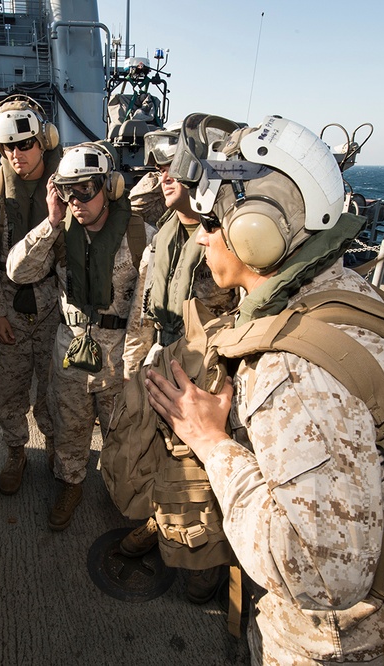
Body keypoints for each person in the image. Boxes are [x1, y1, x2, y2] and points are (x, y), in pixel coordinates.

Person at [144, 115, 384, 665]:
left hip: (323, 640)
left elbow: (323, 575)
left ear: (257, 227)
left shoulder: (296, 371)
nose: (201, 235)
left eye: (211, 218)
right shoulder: (342, 291)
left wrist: (210, 442)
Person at [7, 141, 153, 531]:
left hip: (120, 359)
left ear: (111, 187)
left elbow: (148, 308)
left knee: (122, 438)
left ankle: (124, 493)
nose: (76, 200)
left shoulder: (139, 235)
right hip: (70, 355)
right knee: (70, 433)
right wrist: (51, 221)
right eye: (67, 190)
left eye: (86, 189)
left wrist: (135, 367)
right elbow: (17, 272)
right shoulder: (59, 232)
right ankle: (71, 484)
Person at [120, 127, 239, 604]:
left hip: (206, 369)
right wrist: (134, 364)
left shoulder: (227, 239)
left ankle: (204, 556)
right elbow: (145, 307)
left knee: (199, 468)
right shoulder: (164, 232)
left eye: (176, 168)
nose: (162, 177)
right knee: (154, 456)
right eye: (157, 169)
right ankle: (161, 520)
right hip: (163, 357)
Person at [0, 94, 63, 497]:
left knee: (54, 391)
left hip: (55, 311)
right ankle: (15, 452)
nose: (16, 154)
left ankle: (55, 451)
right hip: (11, 307)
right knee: (10, 392)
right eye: (7, 145)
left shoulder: (67, 180)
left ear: (43, 140)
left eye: (25, 143)